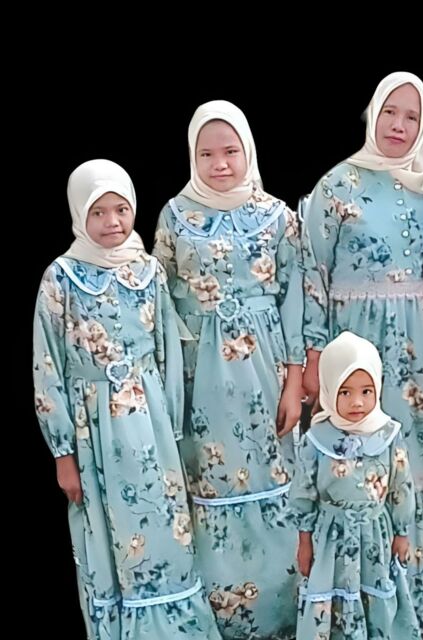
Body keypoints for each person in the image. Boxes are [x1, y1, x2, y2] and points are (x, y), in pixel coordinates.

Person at [300, 71, 423, 631]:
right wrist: (313, 356)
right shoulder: (337, 185)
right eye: (390, 112)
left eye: (411, 116)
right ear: (372, 114)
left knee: (416, 458)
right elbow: (312, 275)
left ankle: (420, 585)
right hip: (356, 351)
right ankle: (357, 595)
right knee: (357, 460)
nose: (399, 125)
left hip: (421, 351)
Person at [33, 159, 221, 639]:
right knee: (109, 534)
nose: (112, 222)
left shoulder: (148, 271)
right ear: (79, 214)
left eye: (121, 209)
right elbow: (46, 368)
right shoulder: (61, 279)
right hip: (93, 430)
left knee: (164, 527)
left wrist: (172, 426)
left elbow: (167, 351)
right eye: (98, 212)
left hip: (151, 425)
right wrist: (63, 455)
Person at [152, 100, 304, 639]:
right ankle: (223, 614)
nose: (220, 164)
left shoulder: (278, 217)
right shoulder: (175, 216)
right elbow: (159, 301)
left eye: (230, 151)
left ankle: (283, 611)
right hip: (201, 378)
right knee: (210, 481)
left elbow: (296, 300)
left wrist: (295, 381)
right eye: (207, 154)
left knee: (273, 476)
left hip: (264, 370)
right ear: (192, 157)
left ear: (248, 151)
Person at [291, 331, 421, 639]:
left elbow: (401, 487)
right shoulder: (316, 440)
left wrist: (402, 532)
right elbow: (303, 494)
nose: (357, 402)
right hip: (330, 539)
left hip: (376, 534)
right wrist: (305, 541)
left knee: (376, 595)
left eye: (366, 391)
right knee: (331, 599)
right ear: (329, 388)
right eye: (345, 392)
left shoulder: (388, 435)